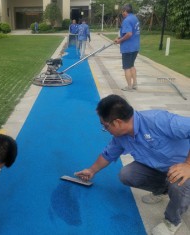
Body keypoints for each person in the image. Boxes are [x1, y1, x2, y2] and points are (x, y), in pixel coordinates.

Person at [75, 94, 190, 235]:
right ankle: (163, 191)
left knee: (180, 183)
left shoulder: (158, 120)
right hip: (160, 169)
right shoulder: (121, 137)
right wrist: (91, 170)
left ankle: (173, 221)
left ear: (117, 123)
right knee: (127, 174)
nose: (105, 130)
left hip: (183, 168)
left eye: (105, 126)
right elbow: (108, 154)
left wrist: (188, 165)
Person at [114, 4, 140, 92]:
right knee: (131, 65)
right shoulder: (135, 18)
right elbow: (128, 33)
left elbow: (129, 34)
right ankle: (135, 84)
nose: (122, 13)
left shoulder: (126, 20)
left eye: (122, 12)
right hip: (135, 47)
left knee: (127, 68)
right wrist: (119, 38)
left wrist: (120, 40)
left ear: (125, 11)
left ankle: (129, 87)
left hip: (128, 48)